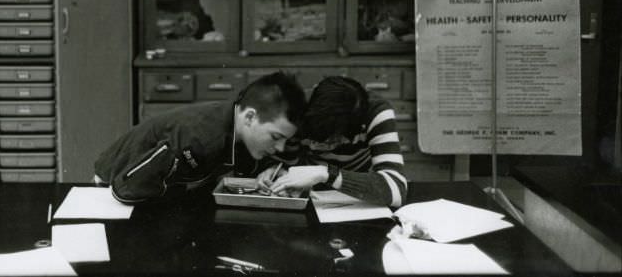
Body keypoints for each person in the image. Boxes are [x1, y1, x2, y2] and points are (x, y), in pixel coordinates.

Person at [94, 71, 306, 204]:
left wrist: (267, 168)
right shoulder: (199, 138)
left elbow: (242, 152)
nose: (280, 148)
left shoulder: (237, 120)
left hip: (157, 189)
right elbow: (127, 189)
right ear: (250, 117)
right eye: (276, 137)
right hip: (114, 191)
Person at [259, 76, 407, 207]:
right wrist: (274, 170)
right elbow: (279, 160)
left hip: (355, 195)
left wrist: (328, 174)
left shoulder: (376, 112)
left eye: (329, 143)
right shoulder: (295, 108)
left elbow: (396, 189)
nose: (312, 146)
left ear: (354, 132)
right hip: (307, 197)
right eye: (309, 138)